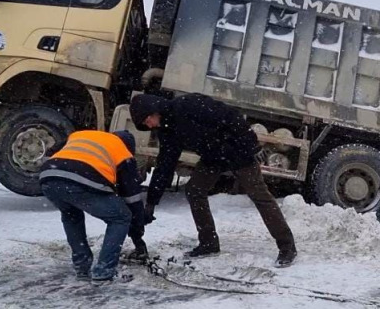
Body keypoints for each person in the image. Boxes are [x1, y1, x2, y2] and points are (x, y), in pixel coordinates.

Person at [130, 93, 298, 267]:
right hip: (213, 157)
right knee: (194, 190)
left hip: (238, 152)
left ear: (154, 110)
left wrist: (251, 146)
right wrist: (151, 203)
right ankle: (208, 242)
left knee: (259, 196)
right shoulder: (167, 132)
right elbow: (165, 165)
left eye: (147, 119)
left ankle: (287, 246)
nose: (148, 125)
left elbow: (231, 116)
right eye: (144, 124)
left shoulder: (188, 105)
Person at [39, 130, 145, 283]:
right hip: (82, 178)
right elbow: (132, 197)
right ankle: (104, 271)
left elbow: (51, 153)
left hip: (49, 177)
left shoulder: (80, 135)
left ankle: (82, 266)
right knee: (121, 218)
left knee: (71, 214)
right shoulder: (122, 151)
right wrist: (138, 226)